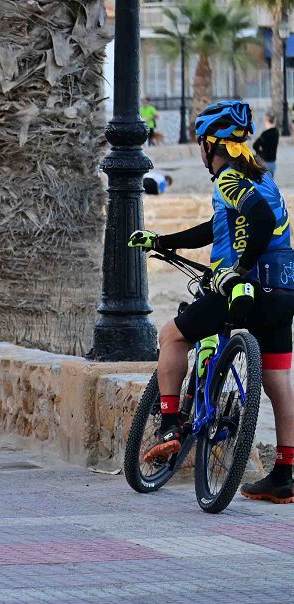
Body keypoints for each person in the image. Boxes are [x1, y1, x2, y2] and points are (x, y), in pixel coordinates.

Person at [128, 100, 294, 504]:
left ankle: (170, 424)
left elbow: (259, 220)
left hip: (244, 287)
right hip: (284, 288)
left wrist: (239, 270)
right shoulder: (262, 177)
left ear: (207, 145)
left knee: (172, 336)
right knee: (277, 379)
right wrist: (164, 241)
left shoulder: (228, 179)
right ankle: (285, 473)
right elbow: (219, 226)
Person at [253, 113, 279, 177]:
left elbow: (255, 145)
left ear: (267, 120)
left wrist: (260, 149)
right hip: (273, 161)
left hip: (265, 161)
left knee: (265, 183)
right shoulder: (276, 132)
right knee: (271, 183)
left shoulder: (265, 134)